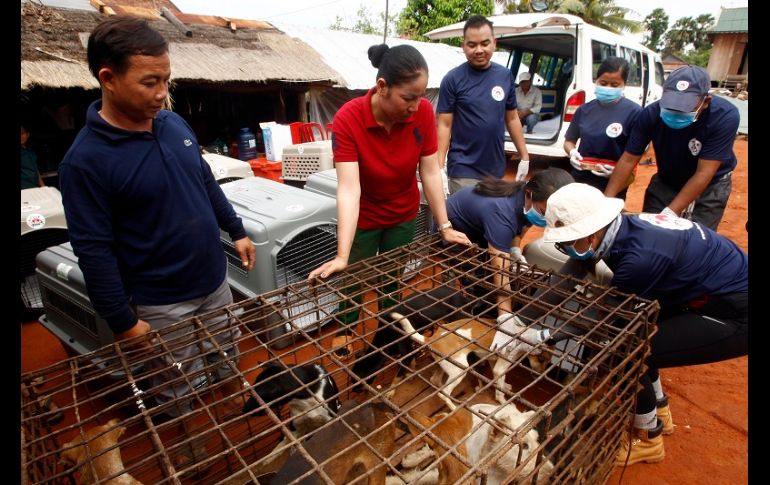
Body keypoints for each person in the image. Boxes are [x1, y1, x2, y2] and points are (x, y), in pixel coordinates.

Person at [58, 16, 256, 473]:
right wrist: (124, 322)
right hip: (161, 304)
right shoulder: (84, 163)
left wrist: (236, 229)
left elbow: (204, 181)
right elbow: (94, 250)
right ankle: (194, 454)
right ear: (107, 78)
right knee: (177, 385)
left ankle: (239, 431)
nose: (162, 92)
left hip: (213, 282)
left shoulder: (171, 123)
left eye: (166, 79)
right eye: (150, 82)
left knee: (228, 363)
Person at [506, 183, 746, 467]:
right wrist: (519, 320)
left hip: (733, 311)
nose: (565, 248)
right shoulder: (617, 229)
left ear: (592, 234)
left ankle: (648, 436)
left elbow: (604, 320)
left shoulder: (637, 261)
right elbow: (569, 274)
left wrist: (544, 335)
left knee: (626, 352)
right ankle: (658, 408)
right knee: (644, 333)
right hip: (700, 291)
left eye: (568, 241)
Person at [308, 44, 471, 355]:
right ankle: (346, 329)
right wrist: (342, 254)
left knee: (392, 276)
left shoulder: (422, 113)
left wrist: (445, 225)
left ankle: (390, 329)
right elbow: (349, 189)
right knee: (354, 276)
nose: (415, 105)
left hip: (403, 211)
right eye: (408, 97)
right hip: (365, 215)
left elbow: (431, 172)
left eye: (420, 97)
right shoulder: (348, 119)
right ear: (382, 87)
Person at [604, 65, 740, 230]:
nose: (675, 111)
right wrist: (606, 202)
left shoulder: (724, 117)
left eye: (683, 107)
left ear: (705, 102)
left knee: (697, 238)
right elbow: (628, 159)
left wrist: (670, 213)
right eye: (670, 104)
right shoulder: (650, 114)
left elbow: (704, 173)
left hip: (711, 183)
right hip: (668, 178)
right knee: (651, 232)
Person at [446, 168, 573, 314]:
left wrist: (515, 250)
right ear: (529, 194)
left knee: (494, 271)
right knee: (478, 283)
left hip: (483, 228)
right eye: (544, 213)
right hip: (456, 231)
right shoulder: (502, 212)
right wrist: (505, 318)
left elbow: (519, 229)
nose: (547, 219)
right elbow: (501, 278)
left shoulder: (528, 200)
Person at [437, 15, 531, 194]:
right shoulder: (453, 79)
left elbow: (511, 118)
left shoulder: (504, 76)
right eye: (472, 45)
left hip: (495, 169)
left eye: (484, 43)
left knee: (489, 219)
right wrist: (439, 167)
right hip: (463, 168)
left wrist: (524, 156)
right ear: (463, 46)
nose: (479, 50)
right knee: (465, 219)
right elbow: (444, 124)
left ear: (494, 43)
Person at [564, 57, 641, 199]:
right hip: (581, 179)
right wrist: (572, 152)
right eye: (603, 83)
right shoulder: (584, 110)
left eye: (615, 85)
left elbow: (636, 153)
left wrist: (618, 172)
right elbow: (569, 140)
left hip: (614, 181)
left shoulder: (634, 113)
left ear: (624, 85)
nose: (608, 88)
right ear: (596, 80)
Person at [21, 124, 44, 189]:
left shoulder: (31, 152)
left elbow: (36, 170)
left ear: (28, 134)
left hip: (34, 187)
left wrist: (43, 186)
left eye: (22, 133)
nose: (21, 136)